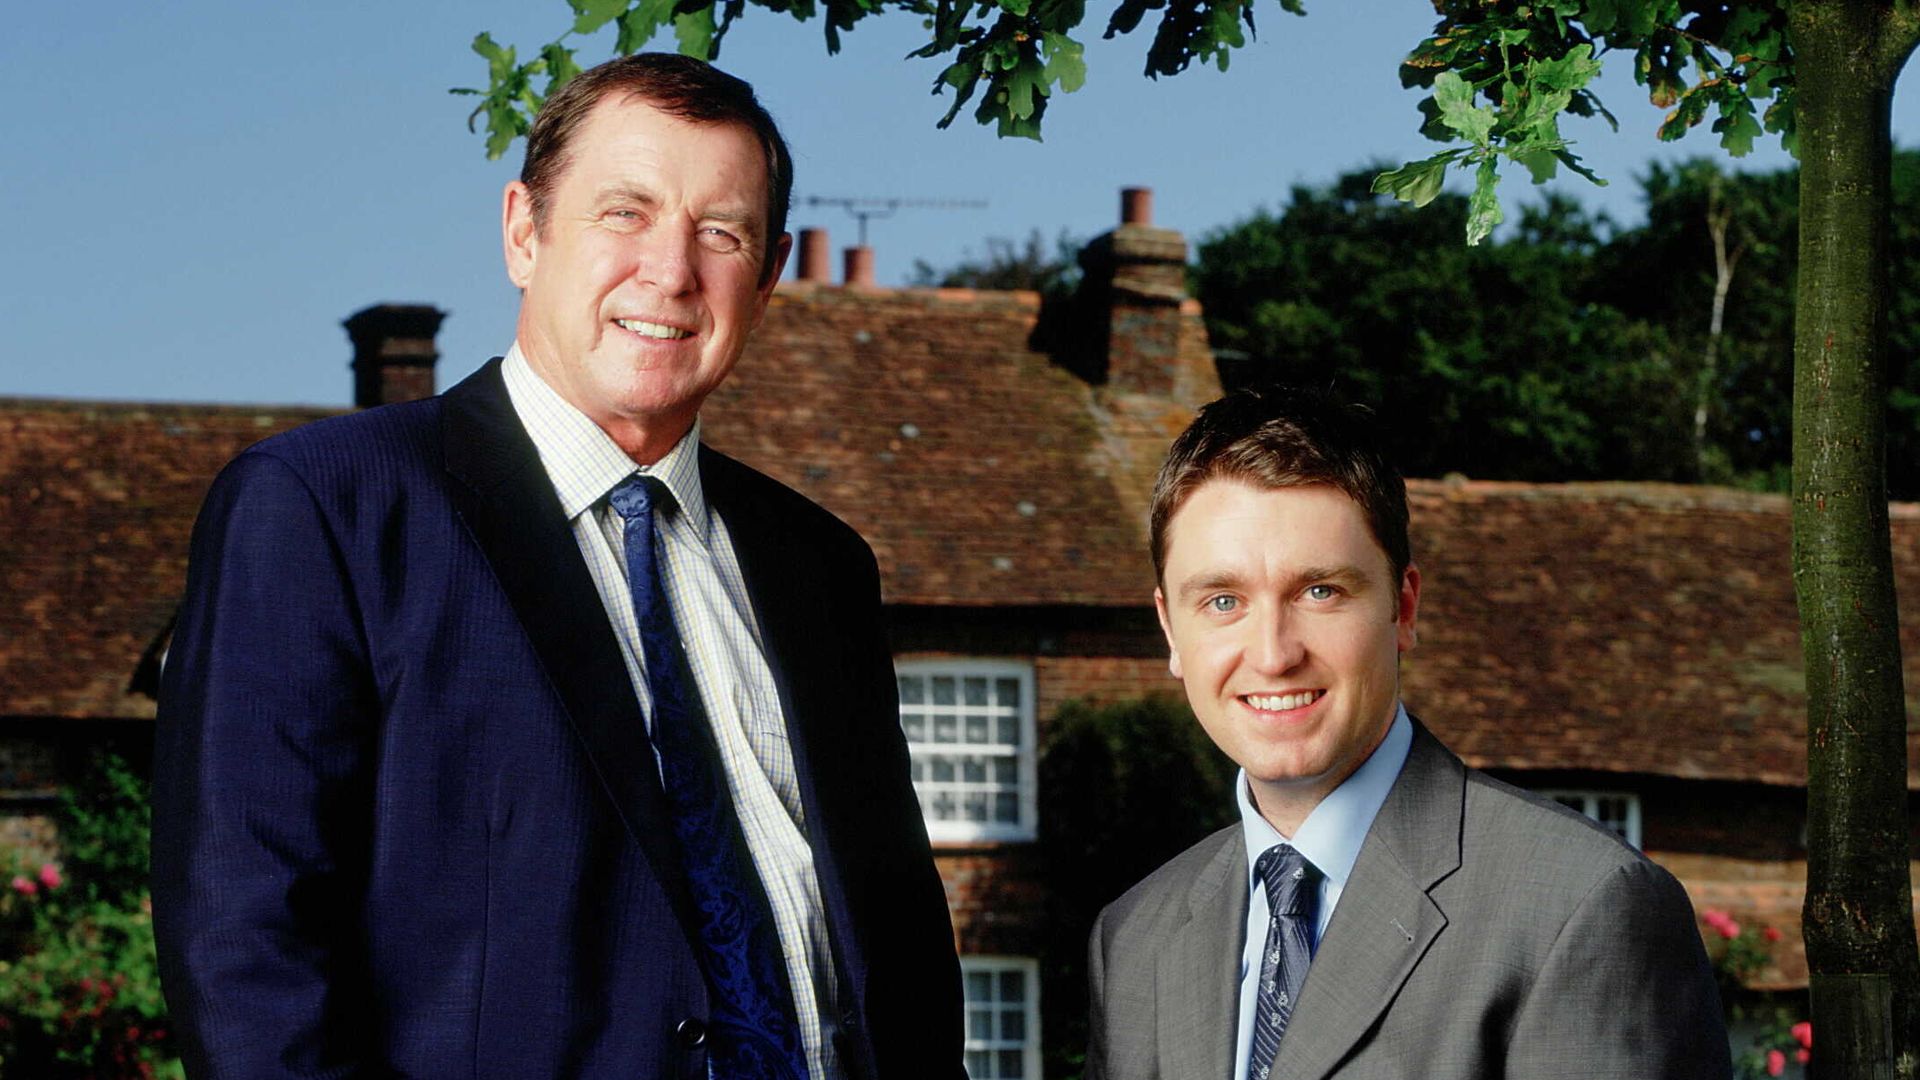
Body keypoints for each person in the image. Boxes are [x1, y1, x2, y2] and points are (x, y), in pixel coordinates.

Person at [151, 54, 963, 1080]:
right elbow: (247, 949)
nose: (672, 271)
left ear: (767, 276)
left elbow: (902, 953)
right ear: (524, 233)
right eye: (625, 212)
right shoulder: (327, 510)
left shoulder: (822, 567)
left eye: (722, 233)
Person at [1086, 388, 1731, 1080]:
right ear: (1169, 631)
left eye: (1320, 592)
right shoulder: (1133, 942)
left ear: (1403, 607)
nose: (1272, 653)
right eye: (1222, 601)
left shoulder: (1582, 909)